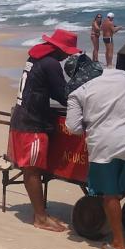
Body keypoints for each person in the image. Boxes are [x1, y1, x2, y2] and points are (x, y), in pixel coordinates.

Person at [65, 55, 125, 249]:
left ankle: (118, 243)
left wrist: (91, 120)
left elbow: (74, 128)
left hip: (103, 145)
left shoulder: (78, 93)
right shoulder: (124, 76)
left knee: (110, 194)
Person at [7, 28, 79, 232]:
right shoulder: (51, 63)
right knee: (32, 169)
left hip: (23, 117)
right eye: (67, 52)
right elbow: (62, 94)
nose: (67, 56)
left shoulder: (36, 57)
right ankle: (40, 217)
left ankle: (41, 213)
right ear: (62, 50)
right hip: (32, 123)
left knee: (32, 169)